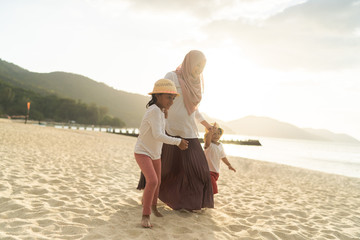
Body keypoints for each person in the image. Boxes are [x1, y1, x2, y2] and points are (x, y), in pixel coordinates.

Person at [159, 50, 214, 211]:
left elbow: (195, 110)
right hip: (170, 130)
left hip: (189, 131)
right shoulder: (172, 77)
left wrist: (207, 125)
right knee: (166, 170)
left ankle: (193, 204)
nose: (199, 69)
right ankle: (156, 196)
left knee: (200, 169)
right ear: (189, 61)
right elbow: (159, 97)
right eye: (197, 64)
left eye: (202, 66)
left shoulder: (196, 83)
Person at [134, 79, 189, 228]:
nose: (171, 101)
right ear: (157, 96)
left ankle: (153, 207)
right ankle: (145, 216)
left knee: (158, 182)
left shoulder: (160, 110)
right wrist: (178, 142)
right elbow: (158, 135)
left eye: (173, 98)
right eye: (168, 97)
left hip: (155, 154)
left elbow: (159, 131)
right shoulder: (153, 111)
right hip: (142, 152)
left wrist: (165, 112)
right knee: (152, 181)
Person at [204, 123, 236, 195]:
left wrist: (229, 165)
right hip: (207, 171)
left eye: (218, 134)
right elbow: (207, 141)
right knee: (213, 188)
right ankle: (208, 203)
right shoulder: (208, 145)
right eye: (214, 134)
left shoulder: (220, 145)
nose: (217, 136)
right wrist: (211, 131)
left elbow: (223, 157)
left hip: (216, 171)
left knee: (209, 188)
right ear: (209, 134)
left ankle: (206, 200)